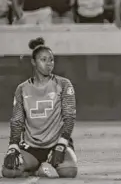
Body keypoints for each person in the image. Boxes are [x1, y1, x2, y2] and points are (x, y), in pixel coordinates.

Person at [1, 37, 78, 178]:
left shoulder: (63, 84)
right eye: (43, 60)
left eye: (51, 60)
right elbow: (17, 120)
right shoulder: (22, 89)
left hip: (56, 144)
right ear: (33, 62)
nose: (49, 64)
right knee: (8, 171)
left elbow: (69, 117)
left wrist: (62, 143)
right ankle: (37, 170)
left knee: (69, 171)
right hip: (31, 147)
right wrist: (13, 146)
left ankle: (47, 163)